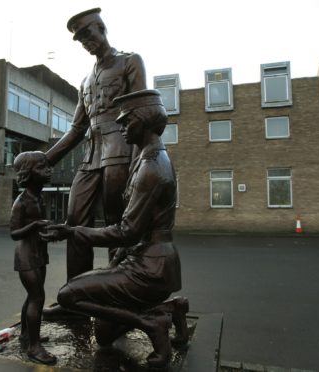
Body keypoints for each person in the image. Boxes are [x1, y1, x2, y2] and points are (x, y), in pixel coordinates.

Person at [42, 90, 188, 369]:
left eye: (125, 121)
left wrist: (72, 231)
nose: (119, 127)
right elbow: (135, 230)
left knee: (67, 296)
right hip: (153, 261)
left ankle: (152, 324)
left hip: (149, 269)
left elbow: (127, 231)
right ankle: (171, 309)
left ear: (142, 121)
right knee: (105, 334)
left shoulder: (151, 168)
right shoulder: (149, 159)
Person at [43, 8, 147, 282]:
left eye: (87, 34)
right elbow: (78, 128)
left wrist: (139, 160)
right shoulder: (85, 81)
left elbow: (139, 113)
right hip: (91, 158)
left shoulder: (130, 62)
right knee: (75, 220)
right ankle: (76, 293)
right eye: (80, 39)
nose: (85, 42)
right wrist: (46, 160)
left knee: (118, 223)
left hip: (122, 152)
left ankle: (118, 290)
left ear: (101, 28)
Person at [10, 151, 56, 365]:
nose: (48, 170)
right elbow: (14, 233)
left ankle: (26, 334)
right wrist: (35, 226)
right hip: (26, 255)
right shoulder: (21, 202)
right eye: (41, 167)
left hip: (39, 252)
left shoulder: (38, 196)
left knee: (32, 296)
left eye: (47, 165)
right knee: (37, 297)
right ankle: (34, 347)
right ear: (28, 174)